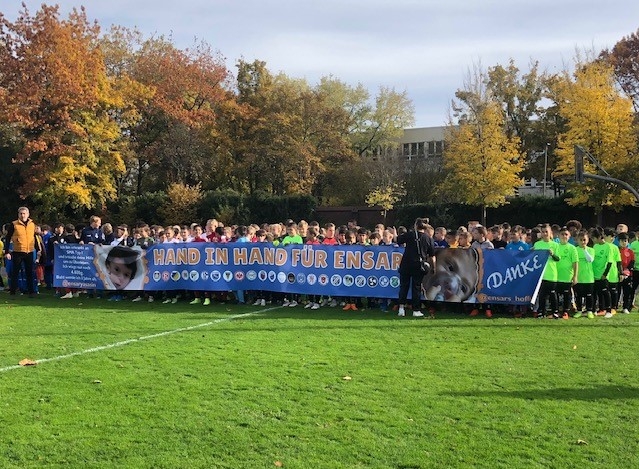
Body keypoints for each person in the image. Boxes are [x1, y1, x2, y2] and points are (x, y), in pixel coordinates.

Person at [395, 218, 436, 318]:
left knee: (404, 286)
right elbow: (432, 255)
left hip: (406, 264)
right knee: (416, 287)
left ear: (416, 225)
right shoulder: (428, 238)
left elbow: (398, 240)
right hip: (419, 265)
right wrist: (434, 267)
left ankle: (401, 308)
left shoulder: (410, 235)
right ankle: (416, 310)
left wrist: (395, 233)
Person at [4, 206, 39, 297]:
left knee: (29, 272)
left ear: (28, 214)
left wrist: (38, 249)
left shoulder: (32, 224)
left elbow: (35, 238)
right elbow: (8, 238)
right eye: (21, 214)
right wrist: (7, 252)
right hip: (17, 251)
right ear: (18, 214)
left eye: (24, 213)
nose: (23, 215)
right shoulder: (14, 224)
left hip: (29, 251)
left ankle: (31, 292)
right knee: (15, 272)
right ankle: (13, 292)